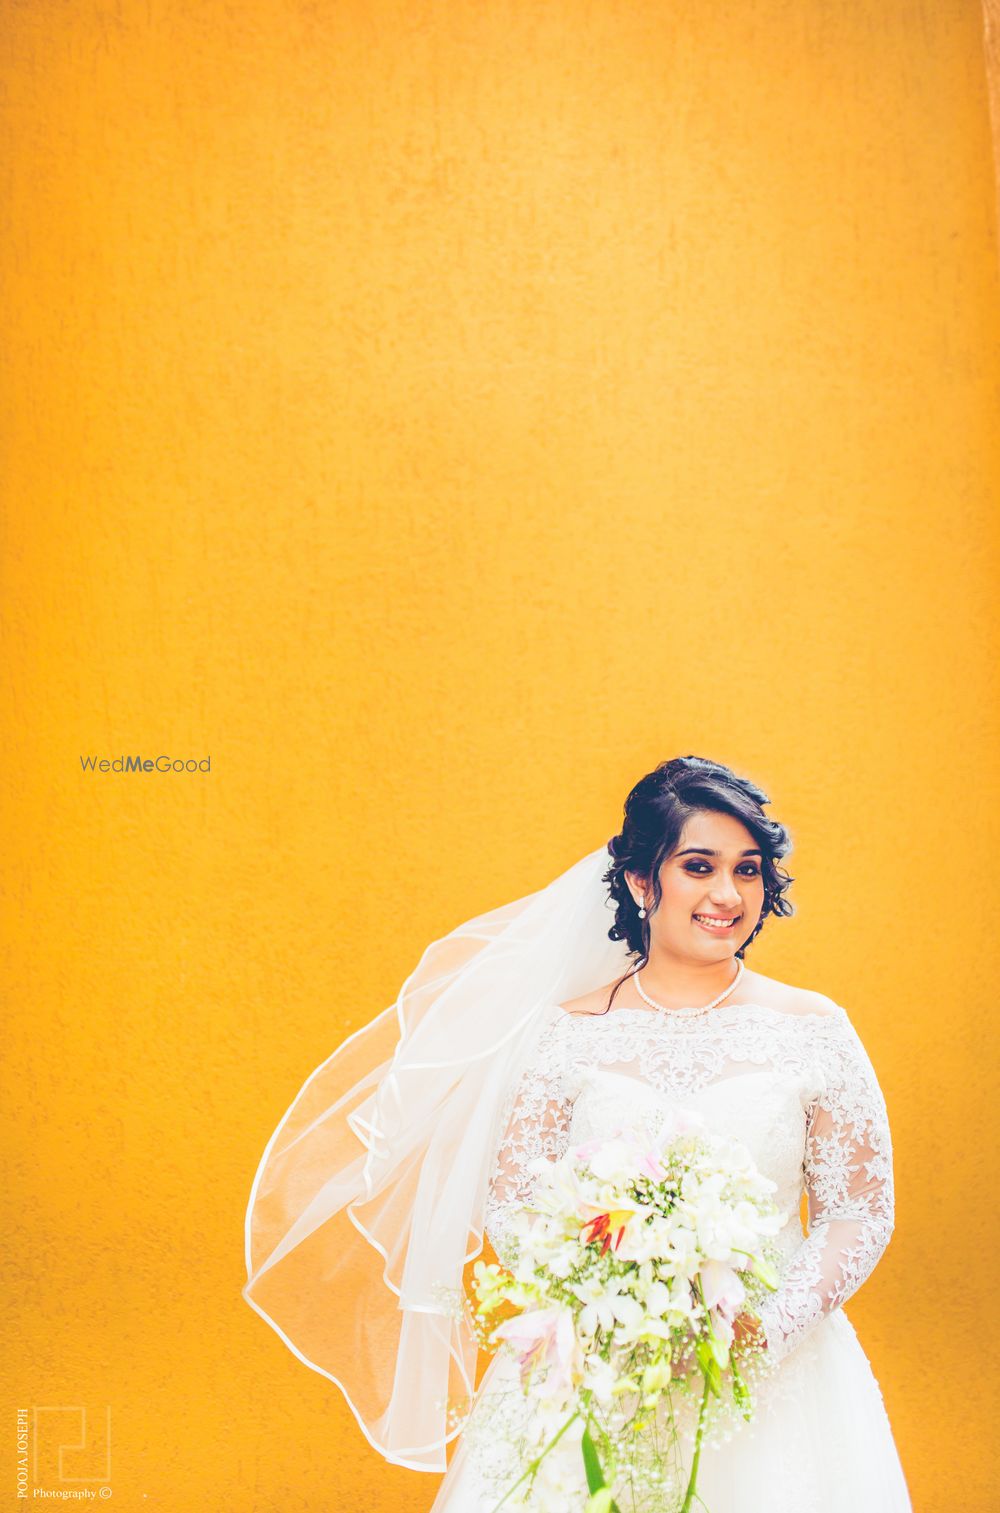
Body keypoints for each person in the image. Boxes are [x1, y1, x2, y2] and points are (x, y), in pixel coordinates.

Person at [243, 755, 913, 1511]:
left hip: (777, 1372)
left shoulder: (814, 1029)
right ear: (639, 881)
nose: (728, 894)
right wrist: (614, 1302)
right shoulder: (566, 1035)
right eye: (699, 866)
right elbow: (516, 1202)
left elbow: (858, 1208)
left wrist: (768, 1326)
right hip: (595, 1360)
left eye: (748, 869)